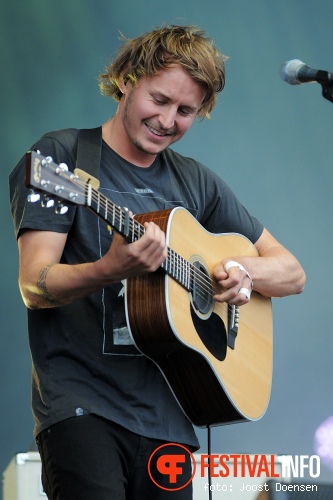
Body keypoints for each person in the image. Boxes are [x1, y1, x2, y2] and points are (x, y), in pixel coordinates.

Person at [9, 25, 306, 500]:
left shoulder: (195, 183)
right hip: (84, 406)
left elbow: (292, 272)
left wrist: (241, 273)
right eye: (160, 100)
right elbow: (35, 284)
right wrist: (111, 268)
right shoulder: (63, 158)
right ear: (127, 78)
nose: (168, 120)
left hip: (173, 415)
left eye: (186, 111)